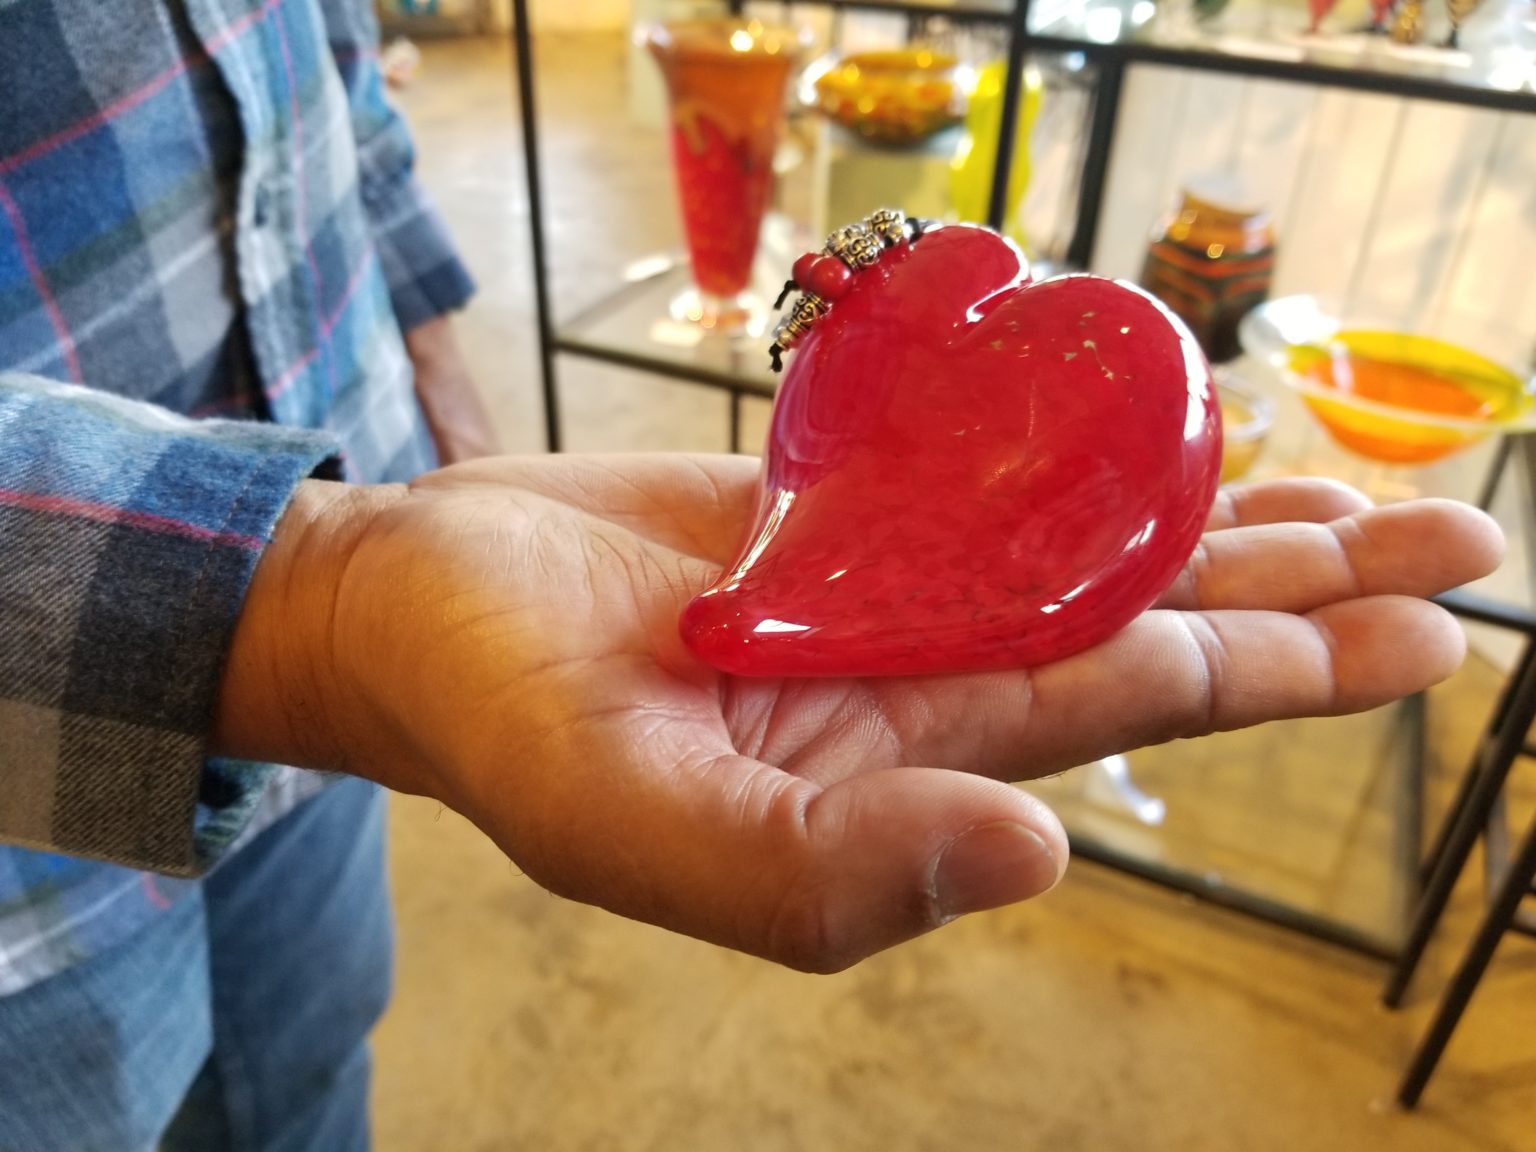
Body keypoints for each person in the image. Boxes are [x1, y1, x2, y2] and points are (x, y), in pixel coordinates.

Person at [0, 2, 1506, 1150]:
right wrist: (314, 597)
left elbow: (316, 68)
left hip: (335, 548)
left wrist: (428, 374)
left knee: (316, 1051)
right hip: (37, 854)